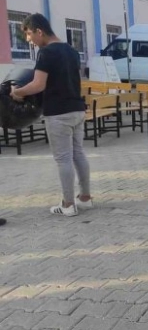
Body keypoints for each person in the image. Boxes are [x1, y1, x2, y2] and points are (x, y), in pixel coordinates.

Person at [10, 13, 93, 217]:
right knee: (78, 154)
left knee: (63, 158)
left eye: (29, 35)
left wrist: (17, 92)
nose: (29, 40)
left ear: (39, 31)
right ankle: (85, 198)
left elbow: (38, 84)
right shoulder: (72, 51)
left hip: (58, 113)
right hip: (76, 109)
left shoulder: (46, 53)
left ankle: (67, 204)